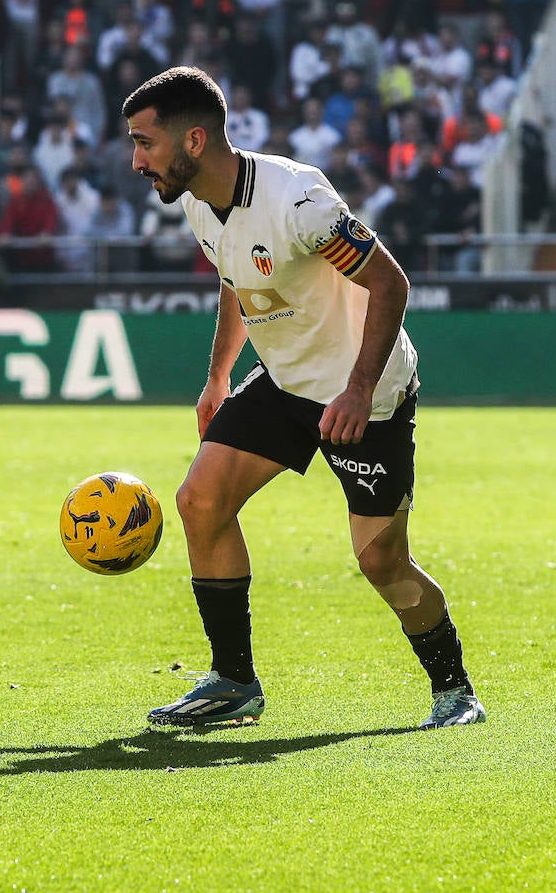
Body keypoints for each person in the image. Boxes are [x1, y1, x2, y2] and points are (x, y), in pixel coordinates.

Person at [121, 66, 484, 730]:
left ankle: (455, 691)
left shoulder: (297, 201)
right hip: (287, 383)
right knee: (200, 501)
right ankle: (233, 682)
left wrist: (358, 389)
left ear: (194, 140)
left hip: (364, 395)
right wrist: (218, 377)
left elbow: (392, 285)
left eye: (145, 143)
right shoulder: (199, 200)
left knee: (381, 560)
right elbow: (237, 280)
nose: (136, 160)